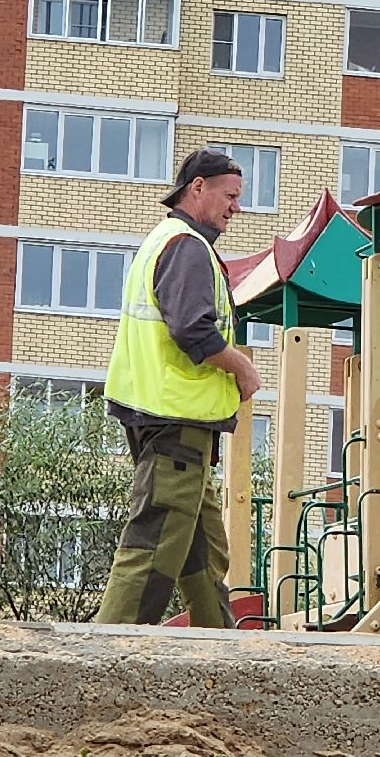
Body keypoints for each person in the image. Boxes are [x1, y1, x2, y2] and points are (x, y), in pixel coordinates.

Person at [95, 148, 262, 627]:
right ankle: (109, 650)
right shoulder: (186, 245)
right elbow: (193, 331)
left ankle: (219, 649)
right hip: (175, 421)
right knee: (154, 543)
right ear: (198, 188)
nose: (237, 207)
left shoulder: (166, 240)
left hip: (166, 416)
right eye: (230, 195)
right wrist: (241, 368)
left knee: (202, 548)